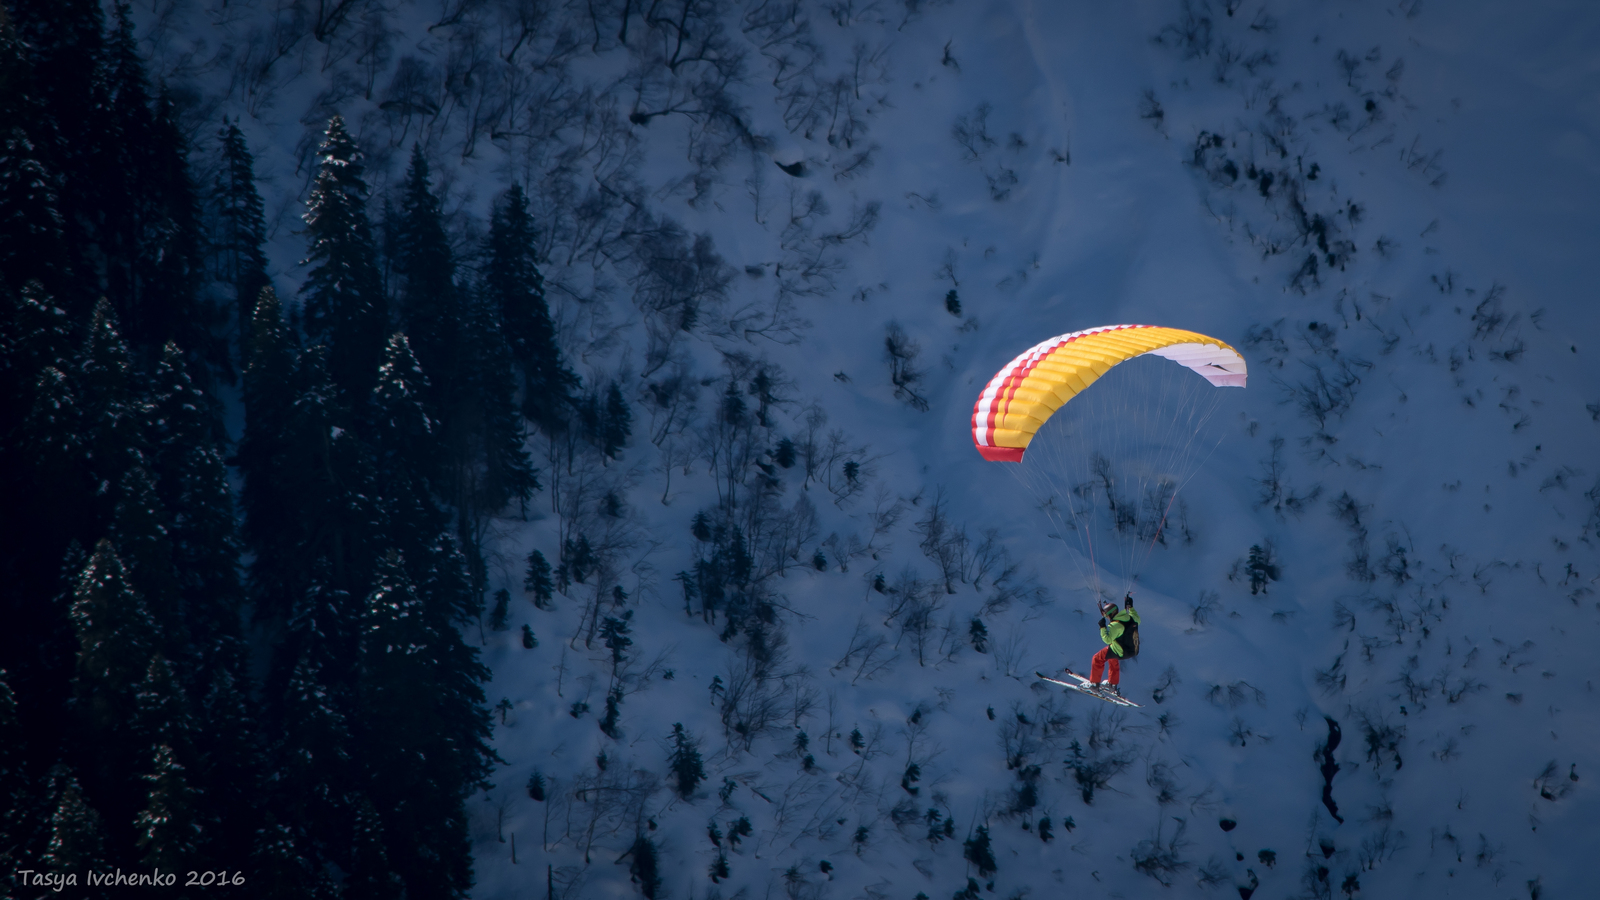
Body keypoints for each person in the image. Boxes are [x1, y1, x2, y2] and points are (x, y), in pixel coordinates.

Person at [1090, 593, 1140, 696]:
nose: (1107, 617)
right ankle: (1112, 684)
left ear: (1111, 614)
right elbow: (1137, 617)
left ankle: (1094, 684)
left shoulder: (1116, 625)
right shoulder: (1132, 618)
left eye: (1107, 615)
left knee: (1097, 658)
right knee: (1112, 657)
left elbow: (1107, 639)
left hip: (1121, 651)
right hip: (1132, 651)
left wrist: (1103, 627)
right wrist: (1130, 607)